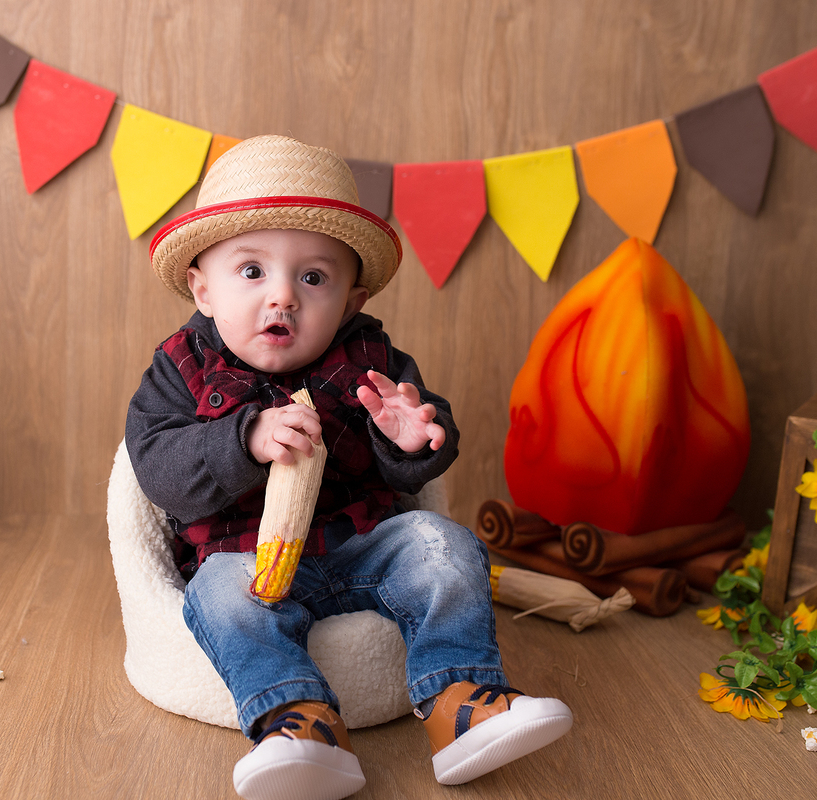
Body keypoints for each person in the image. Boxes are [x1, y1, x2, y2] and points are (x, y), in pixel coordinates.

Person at [126, 135, 571, 800]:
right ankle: (299, 725)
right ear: (203, 289)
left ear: (351, 301)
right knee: (217, 598)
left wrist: (412, 435)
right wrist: (242, 440)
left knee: (442, 545)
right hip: (244, 557)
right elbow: (155, 468)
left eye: (313, 277)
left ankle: (463, 704)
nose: (283, 298)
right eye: (252, 272)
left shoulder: (370, 359)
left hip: (361, 544)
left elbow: (419, 460)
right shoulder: (179, 367)